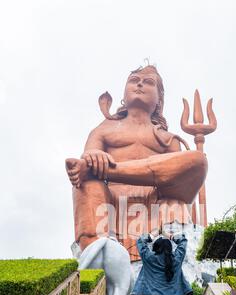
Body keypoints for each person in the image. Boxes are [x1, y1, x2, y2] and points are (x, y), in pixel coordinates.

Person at [65, 65, 208, 261]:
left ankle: (167, 258)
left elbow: (180, 179)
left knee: (198, 160)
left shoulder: (168, 139)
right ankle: (98, 258)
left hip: (154, 204)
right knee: (86, 184)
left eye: (148, 82)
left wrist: (106, 170)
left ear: (159, 99)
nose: (140, 83)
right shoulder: (104, 130)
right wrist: (92, 159)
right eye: (134, 80)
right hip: (111, 204)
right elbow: (85, 164)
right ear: (124, 94)